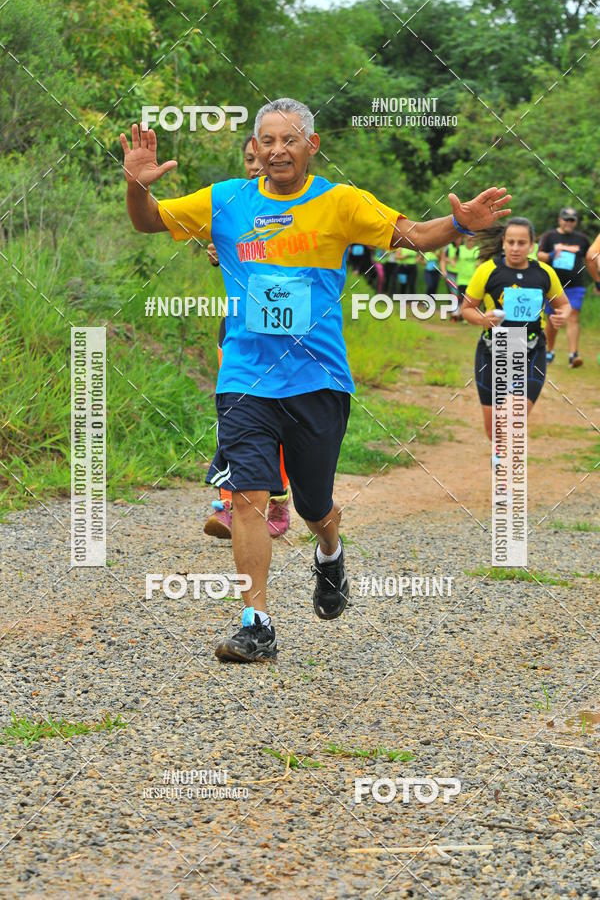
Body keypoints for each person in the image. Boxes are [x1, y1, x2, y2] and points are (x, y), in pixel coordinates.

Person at [121, 96, 511, 662]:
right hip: (246, 376)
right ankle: (256, 622)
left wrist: (458, 224)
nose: (279, 150)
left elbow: (417, 237)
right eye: (269, 141)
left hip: (319, 379)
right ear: (255, 148)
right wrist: (137, 184)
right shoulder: (225, 200)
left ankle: (329, 551)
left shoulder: (340, 202)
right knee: (248, 497)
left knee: (313, 504)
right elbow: (146, 220)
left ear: (312, 146)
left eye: (290, 140)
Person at [203, 135, 291, 540]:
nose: (256, 166)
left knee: (284, 419)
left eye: (263, 159)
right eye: (248, 159)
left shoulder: (301, 204)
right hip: (239, 331)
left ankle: (280, 500)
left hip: (290, 334)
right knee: (235, 414)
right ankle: (229, 504)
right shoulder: (232, 204)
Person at [461, 217, 570, 466]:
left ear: (532, 245)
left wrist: (560, 317)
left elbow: (562, 305)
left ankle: (506, 471)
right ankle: (501, 453)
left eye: (522, 242)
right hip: (492, 352)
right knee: (494, 430)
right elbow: (466, 309)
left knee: (511, 414)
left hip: (530, 351)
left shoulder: (544, 273)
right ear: (503, 242)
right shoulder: (488, 270)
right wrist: (482, 319)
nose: (515, 247)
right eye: (510, 242)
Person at [537, 208, 591, 367]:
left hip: (575, 286)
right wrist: (553, 254)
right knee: (553, 319)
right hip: (553, 286)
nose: (569, 222)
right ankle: (549, 351)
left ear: (576, 222)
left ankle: (573, 355)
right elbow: (539, 255)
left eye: (572, 220)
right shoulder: (550, 236)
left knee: (573, 316)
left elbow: (591, 258)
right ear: (560, 220)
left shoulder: (582, 239)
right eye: (566, 219)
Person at [452, 235, 480, 321]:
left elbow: (479, 261)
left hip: (472, 279)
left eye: (472, 239)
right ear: (465, 239)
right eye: (468, 239)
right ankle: (460, 315)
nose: (470, 241)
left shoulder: (477, 250)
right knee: (462, 297)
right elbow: (454, 259)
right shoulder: (460, 249)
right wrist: (453, 263)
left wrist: (478, 265)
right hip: (461, 279)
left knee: (470, 300)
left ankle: (464, 316)